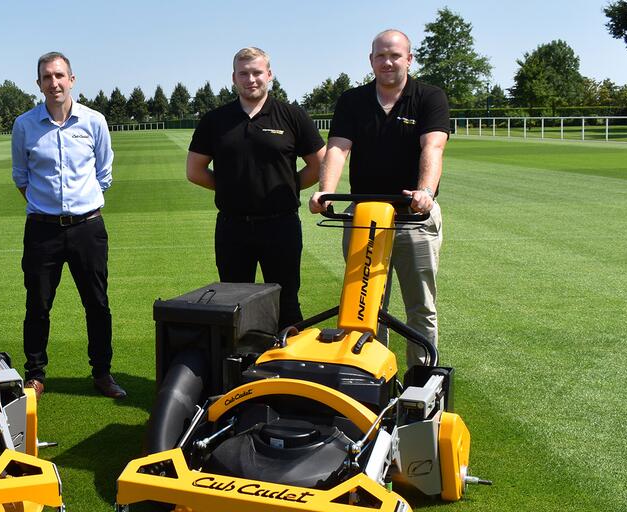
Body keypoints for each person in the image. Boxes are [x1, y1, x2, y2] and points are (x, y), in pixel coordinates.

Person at [308, 29, 450, 368]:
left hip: (412, 218)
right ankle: (371, 376)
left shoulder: (429, 97)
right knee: (365, 306)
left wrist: (425, 192)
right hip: (365, 216)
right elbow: (339, 147)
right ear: (371, 60)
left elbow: (433, 146)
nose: (388, 62)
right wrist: (325, 190)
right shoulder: (352, 101)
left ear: (409, 59)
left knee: (421, 307)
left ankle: (422, 380)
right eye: (381, 56)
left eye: (395, 55)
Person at [187, 47, 326, 329]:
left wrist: (288, 186)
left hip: (281, 225)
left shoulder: (292, 115)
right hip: (232, 227)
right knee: (233, 305)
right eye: (244, 74)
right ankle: (239, 371)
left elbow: (320, 164)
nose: (251, 79)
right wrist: (230, 188)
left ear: (269, 75)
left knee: (287, 302)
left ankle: (287, 366)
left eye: (257, 73)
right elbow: (195, 171)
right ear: (234, 78)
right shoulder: (215, 120)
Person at [11, 52, 124, 399]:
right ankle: (35, 374)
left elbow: (103, 174)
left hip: (88, 227)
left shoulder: (94, 121)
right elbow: (21, 177)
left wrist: (78, 205)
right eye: (47, 77)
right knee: (38, 304)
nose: (54, 83)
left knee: (97, 303)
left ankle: (102, 373)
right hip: (43, 230)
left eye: (60, 76)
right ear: (39, 83)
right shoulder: (25, 125)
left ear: (72, 79)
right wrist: (48, 206)